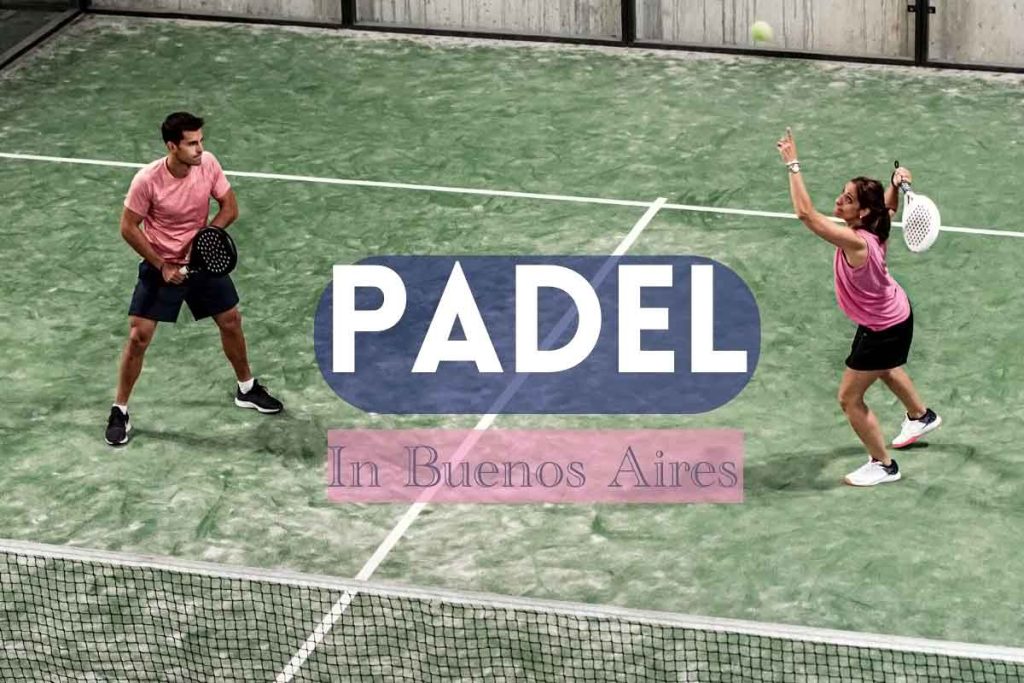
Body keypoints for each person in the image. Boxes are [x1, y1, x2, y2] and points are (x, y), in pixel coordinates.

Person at [105, 112, 282, 446]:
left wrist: (205, 242)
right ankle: (120, 409)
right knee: (138, 336)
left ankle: (247, 389)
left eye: (201, 141)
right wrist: (162, 265)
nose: (200, 149)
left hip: (199, 265)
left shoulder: (209, 164)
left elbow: (230, 206)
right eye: (192, 143)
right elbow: (128, 227)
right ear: (172, 146)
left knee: (231, 320)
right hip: (162, 266)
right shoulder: (148, 181)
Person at [776, 127, 940, 486]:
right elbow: (888, 204)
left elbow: (806, 214)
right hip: (892, 315)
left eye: (847, 199)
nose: (838, 201)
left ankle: (883, 465)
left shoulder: (857, 243)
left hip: (884, 327)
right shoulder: (878, 222)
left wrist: (793, 164)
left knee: (849, 399)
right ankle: (920, 415)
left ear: (862, 212)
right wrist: (895, 183)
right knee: (884, 368)